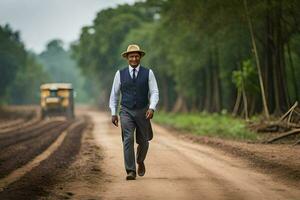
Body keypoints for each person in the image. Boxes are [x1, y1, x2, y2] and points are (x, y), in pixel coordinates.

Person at [109, 44, 159, 180]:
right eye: (131, 56)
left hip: (143, 111)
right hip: (126, 111)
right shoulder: (120, 74)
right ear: (127, 58)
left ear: (140, 57)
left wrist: (152, 107)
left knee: (144, 141)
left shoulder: (148, 73)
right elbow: (114, 95)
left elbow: (154, 91)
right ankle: (130, 170)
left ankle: (140, 160)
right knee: (128, 139)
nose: (134, 58)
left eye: (137, 56)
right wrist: (114, 113)